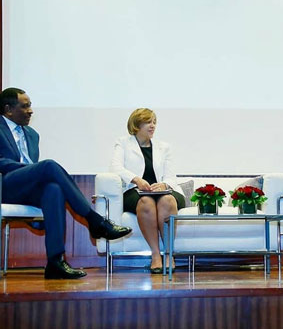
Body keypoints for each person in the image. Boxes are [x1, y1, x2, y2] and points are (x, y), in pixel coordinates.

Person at [0, 87, 132, 279]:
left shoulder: (32, 134)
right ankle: (95, 221)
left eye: (31, 106)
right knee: (48, 166)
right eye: (25, 106)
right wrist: (28, 170)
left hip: (27, 186)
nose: (31, 111)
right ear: (8, 109)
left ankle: (55, 262)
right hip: (6, 184)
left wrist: (33, 172)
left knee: (54, 190)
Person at [110, 108, 185, 274]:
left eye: (154, 122)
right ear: (136, 125)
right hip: (136, 191)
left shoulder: (164, 147)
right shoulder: (123, 143)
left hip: (163, 191)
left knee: (167, 200)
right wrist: (136, 179)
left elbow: (171, 176)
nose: (152, 126)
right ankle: (156, 254)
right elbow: (115, 167)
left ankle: (169, 253)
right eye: (148, 122)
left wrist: (164, 185)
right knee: (146, 202)